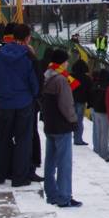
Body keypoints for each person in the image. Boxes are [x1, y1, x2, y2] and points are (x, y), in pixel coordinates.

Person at [0, 24, 39, 186]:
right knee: (23, 140)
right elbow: (34, 81)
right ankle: (19, 177)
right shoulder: (28, 56)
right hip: (24, 102)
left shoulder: (0, 54)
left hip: (5, 102)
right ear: (27, 38)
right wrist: (33, 95)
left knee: (4, 138)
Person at [41, 49, 82, 207]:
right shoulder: (61, 80)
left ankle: (51, 194)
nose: (67, 63)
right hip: (61, 126)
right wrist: (73, 120)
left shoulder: (46, 75)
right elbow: (66, 104)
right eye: (66, 61)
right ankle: (64, 196)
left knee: (50, 161)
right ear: (62, 62)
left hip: (50, 124)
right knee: (64, 162)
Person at [89, 68, 109, 162]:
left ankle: (97, 150)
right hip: (104, 112)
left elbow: (91, 96)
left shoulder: (96, 85)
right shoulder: (108, 87)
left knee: (98, 132)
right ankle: (104, 154)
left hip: (96, 111)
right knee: (105, 134)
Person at [70, 59, 92, 145]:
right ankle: (78, 138)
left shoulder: (70, 76)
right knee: (79, 120)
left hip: (71, 100)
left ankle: (70, 135)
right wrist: (89, 102)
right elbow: (89, 92)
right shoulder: (87, 79)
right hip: (81, 102)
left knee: (70, 118)